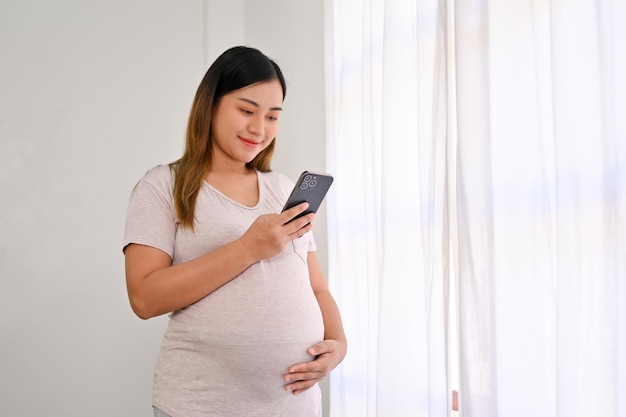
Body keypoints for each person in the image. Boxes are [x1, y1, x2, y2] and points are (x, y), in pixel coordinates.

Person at [123, 46, 347, 417]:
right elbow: (144, 298)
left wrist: (338, 345)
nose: (260, 129)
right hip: (201, 406)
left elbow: (317, 287)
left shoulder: (282, 189)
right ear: (210, 105)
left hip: (294, 407)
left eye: (273, 116)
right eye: (246, 111)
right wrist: (247, 248)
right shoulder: (163, 186)